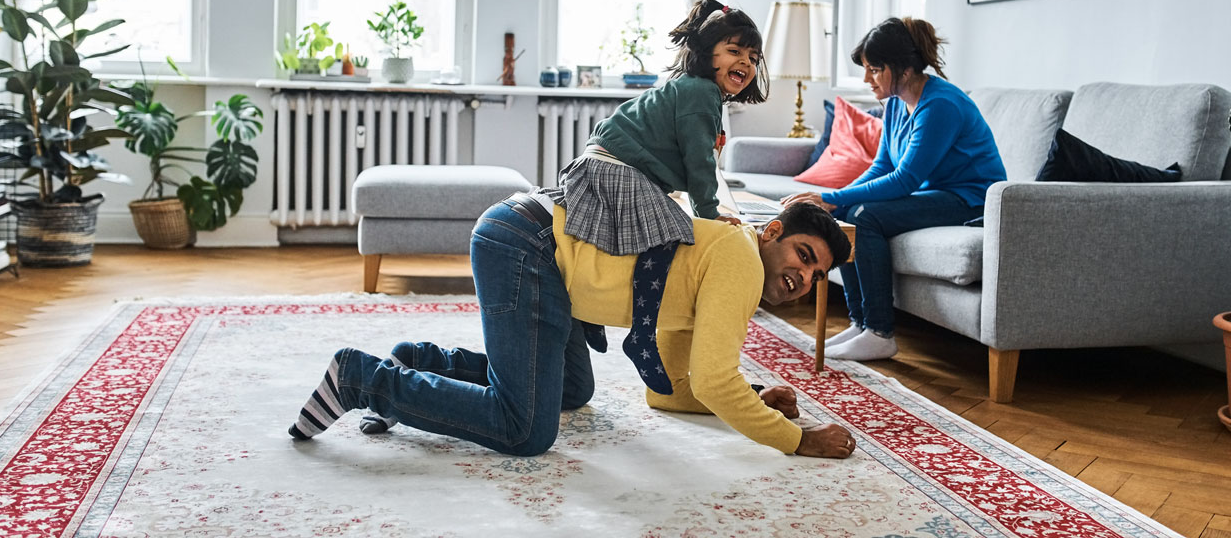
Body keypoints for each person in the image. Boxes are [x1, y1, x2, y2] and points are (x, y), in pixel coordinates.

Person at [287, 200, 856, 459]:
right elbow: (712, 379)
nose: (802, 277)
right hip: (526, 245)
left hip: (534, 248)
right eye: (803, 255)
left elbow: (672, 388)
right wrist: (797, 440)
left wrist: (752, 398)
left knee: (568, 390)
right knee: (525, 431)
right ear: (773, 230)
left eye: (815, 274)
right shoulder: (740, 257)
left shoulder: (724, 261)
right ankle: (360, 379)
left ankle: (415, 361)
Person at [554, 0, 768, 392]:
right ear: (707, 55)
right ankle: (642, 335)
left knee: (616, 241)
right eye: (735, 51)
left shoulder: (695, 91)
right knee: (671, 232)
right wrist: (708, 217)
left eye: (753, 57)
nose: (746, 63)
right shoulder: (700, 93)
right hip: (615, 166)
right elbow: (699, 160)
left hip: (603, 159)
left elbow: (694, 160)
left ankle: (588, 312)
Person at [782, 17, 1006, 362]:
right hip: (939, 194)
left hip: (972, 200)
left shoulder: (940, 105)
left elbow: (905, 180)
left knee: (865, 216)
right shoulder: (897, 105)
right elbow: (882, 166)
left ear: (902, 70)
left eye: (874, 69)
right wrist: (834, 202)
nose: (867, 79)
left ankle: (880, 331)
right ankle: (860, 323)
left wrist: (830, 196)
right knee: (844, 214)